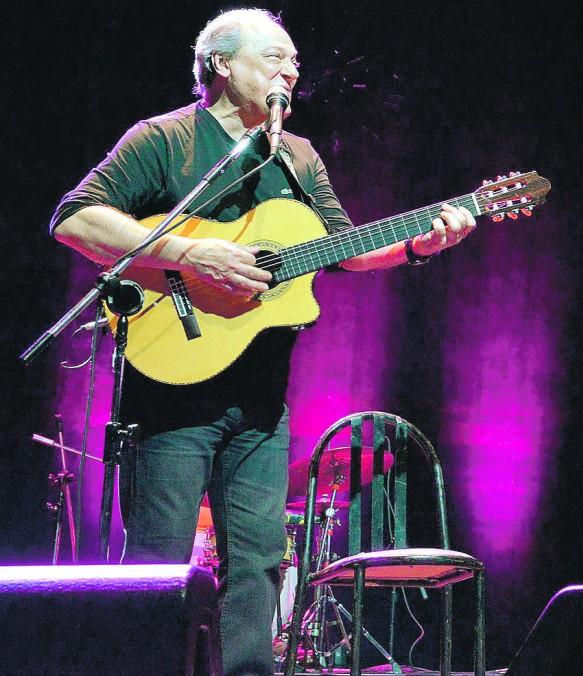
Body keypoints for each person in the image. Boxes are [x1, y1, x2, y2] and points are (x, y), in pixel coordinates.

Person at [50, 9, 475, 675]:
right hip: (168, 395)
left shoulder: (298, 155)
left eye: (296, 61)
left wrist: (419, 244)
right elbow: (75, 218)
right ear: (221, 65)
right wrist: (192, 255)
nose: (292, 70)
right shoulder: (163, 140)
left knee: (259, 563)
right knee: (159, 562)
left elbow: (345, 249)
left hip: (260, 402)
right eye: (275, 56)